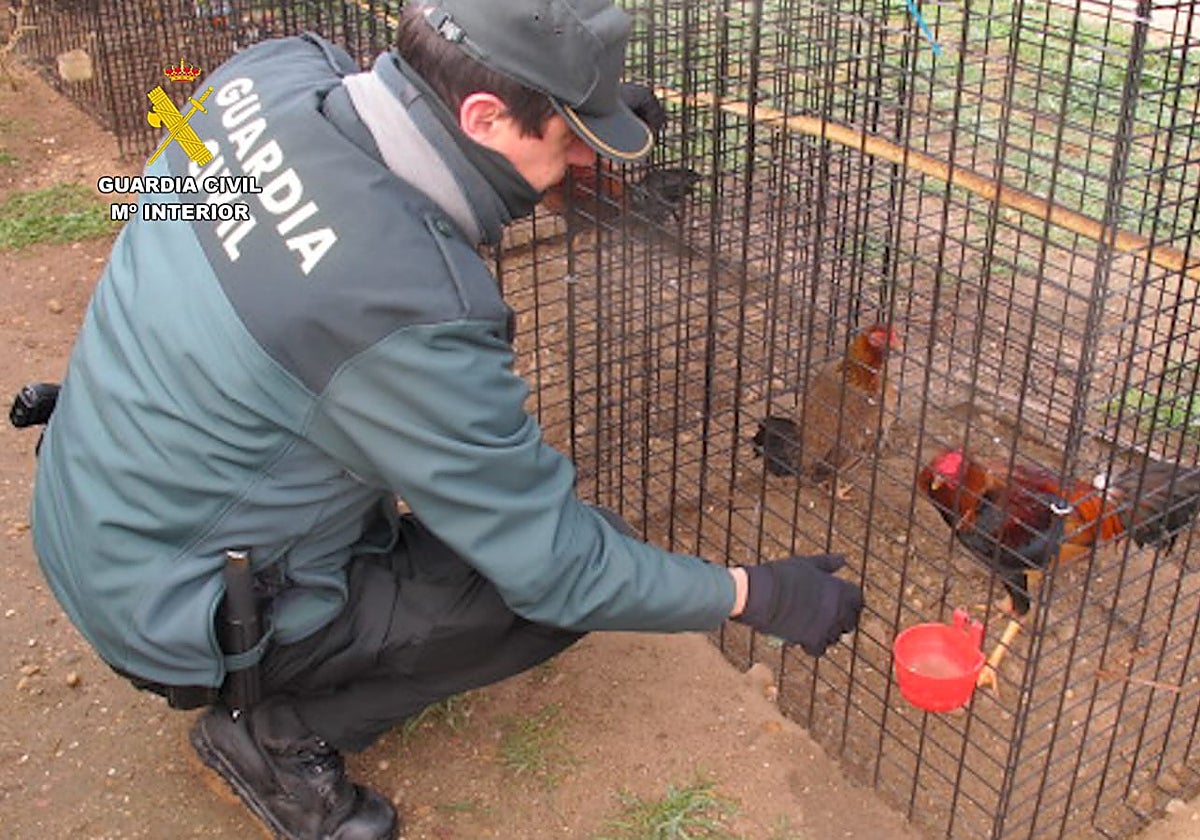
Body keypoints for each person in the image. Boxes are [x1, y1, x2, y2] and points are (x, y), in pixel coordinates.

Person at [24, 1, 864, 838]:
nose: (579, 156)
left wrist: (569, 120)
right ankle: (274, 738)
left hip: (94, 500)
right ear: (484, 114)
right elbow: (562, 571)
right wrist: (756, 594)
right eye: (569, 135)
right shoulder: (405, 313)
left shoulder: (264, 75)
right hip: (171, 606)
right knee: (553, 585)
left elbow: (383, 166)